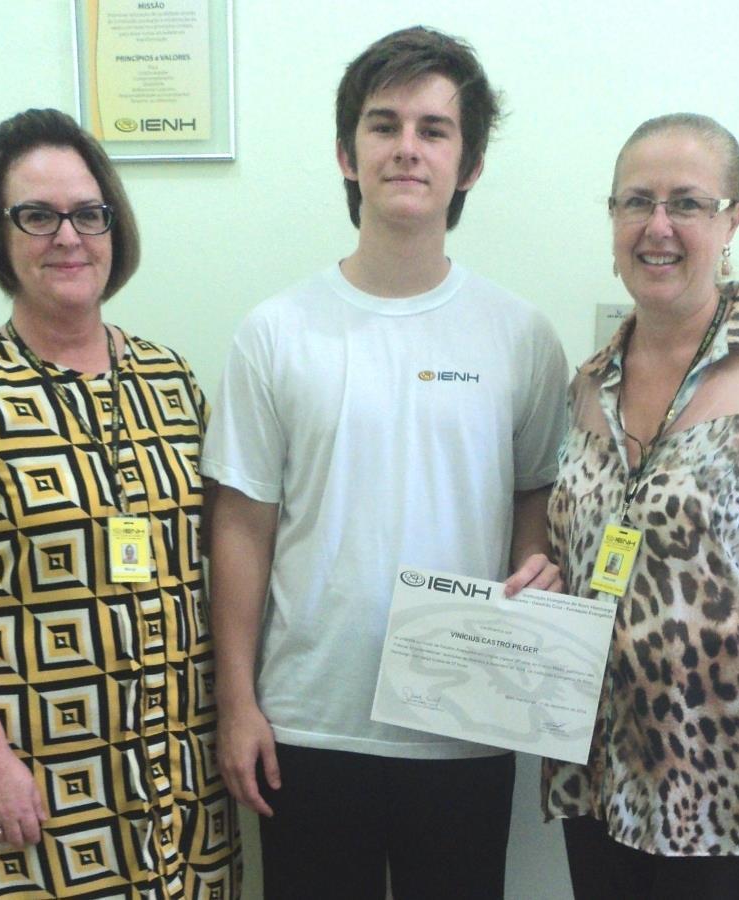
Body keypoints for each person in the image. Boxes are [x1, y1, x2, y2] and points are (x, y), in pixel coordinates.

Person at [202, 26, 568, 900]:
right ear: (347, 153)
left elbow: (535, 495)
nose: (408, 147)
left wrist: (533, 571)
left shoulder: (520, 335)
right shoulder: (275, 332)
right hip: (307, 726)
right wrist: (236, 702)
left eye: (434, 130)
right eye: (384, 124)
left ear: (469, 165)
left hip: (466, 722)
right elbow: (241, 530)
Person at [0, 108, 240, 899]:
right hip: (36, 783)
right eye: (38, 216)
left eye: (88, 213)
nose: (69, 237)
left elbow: (219, 556)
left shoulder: (171, 380)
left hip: (179, 775)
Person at [541, 113, 739, 900]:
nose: (658, 227)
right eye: (636, 202)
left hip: (727, 784)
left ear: (732, 220)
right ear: (613, 217)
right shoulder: (587, 384)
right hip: (598, 773)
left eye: (686, 203)